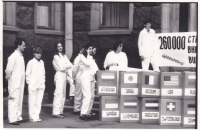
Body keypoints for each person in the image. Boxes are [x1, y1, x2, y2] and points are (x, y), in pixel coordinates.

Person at [5, 37, 26, 125]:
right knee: (13, 99)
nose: (25, 47)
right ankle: (12, 119)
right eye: (23, 45)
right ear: (18, 45)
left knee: (19, 99)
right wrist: (9, 79)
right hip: (14, 81)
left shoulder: (20, 56)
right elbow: (8, 70)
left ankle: (18, 116)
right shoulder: (13, 56)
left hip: (20, 81)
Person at [52, 43, 72, 118]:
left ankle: (60, 111)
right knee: (58, 93)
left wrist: (66, 66)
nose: (60, 47)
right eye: (58, 46)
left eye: (61, 46)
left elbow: (70, 64)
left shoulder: (64, 56)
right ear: (56, 47)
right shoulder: (56, 57)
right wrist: (67, 66)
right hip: (59, 75)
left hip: (64, 75)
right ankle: (56, 112)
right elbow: (61, 68)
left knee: (63, 94)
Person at [26, 46, 45, 122]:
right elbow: (28, 74)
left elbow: (43, 73)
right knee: (32, 101)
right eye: (37, 53)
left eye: (40, 53)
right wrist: (30, 83)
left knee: (39, 101)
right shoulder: (31, 62)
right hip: (33, 85)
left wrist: (43, 82)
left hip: (40, 84)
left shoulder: (42, 62)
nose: (39, 54)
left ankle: (36, 116)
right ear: (34, 54)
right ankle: (32, 116)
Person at [79, 44, 98, 120]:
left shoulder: (91, 58)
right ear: (86, 49)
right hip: (85, 78)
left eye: (92, 48)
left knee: (92, 96)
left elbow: (95, 68)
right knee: (87, 96)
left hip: (92, 78)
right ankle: (83, 113)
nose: (91, 50)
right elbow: (88, 64)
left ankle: (88, 112)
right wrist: (91, 56)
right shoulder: (82, 56)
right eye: (89, 48)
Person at [73, 45, 85, 114]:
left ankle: (81, 108)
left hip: (84, 76)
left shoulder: (84, 58)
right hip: (79, 76)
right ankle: (77, 108)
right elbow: (75, 69)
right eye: (82, 50)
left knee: (83, 93)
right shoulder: (77, 58)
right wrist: (74, 78)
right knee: (78, 93)